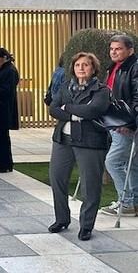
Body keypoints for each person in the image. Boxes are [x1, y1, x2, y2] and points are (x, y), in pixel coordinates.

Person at [48, 52, 111, 241]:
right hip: (63, 140)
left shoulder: (101, 90)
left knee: (90, 185)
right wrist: (75, 114)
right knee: (57, 179)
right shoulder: (66, 86)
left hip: (90, 142)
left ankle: (86, 226)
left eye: (86, 65)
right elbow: (53, 108)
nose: (81, 68)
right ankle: (62, 219)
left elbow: (94, 110)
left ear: (93, 69)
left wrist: (67, 108)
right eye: (77, 65)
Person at [101, 35, 138, 216]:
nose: (114, 52)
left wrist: (130, 123)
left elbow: (137, 98)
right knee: (131, 165)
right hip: (115, 123)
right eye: (112, 49)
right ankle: (133, 203)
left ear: (130, 50)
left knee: (113, 161)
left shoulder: (134, 66)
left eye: (118, 49)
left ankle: (128, 203)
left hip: (126, 124)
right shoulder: (115, 67)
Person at [0, 47, 20, 173]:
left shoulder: (10, 71)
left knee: (2, 137)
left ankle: (5, 163)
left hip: (3, 108)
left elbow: (7, 89)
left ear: (4, 57)